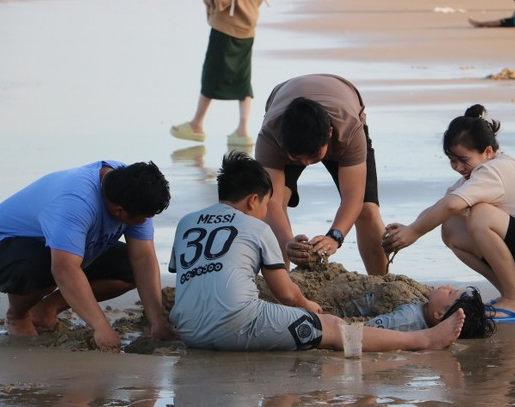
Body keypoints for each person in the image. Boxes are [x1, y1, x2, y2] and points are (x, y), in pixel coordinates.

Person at [169, 151, 465, 351]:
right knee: (334, 327)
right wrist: (306, 304)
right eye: (265, 205)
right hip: (236, 324)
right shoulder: (256, 228)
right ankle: (423, 339)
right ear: (252, 200)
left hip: (188, 330)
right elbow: (285, 292)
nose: (265, 212)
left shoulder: (186, 223)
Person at [382, 105, 515, 318]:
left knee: (481, 214)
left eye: (464, 160)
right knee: (451, 227)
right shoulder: (478, 175)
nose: (458, 167)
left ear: (488, 152)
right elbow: (444, 204)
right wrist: (409, 227)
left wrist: (414, 233)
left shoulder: (495, 171)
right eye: (452, 160)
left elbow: (452, 204)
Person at [0, 161, 178, 352]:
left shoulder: (129, 187)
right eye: (144, 218)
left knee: (129, 268)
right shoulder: (76, 203)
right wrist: (102, 328)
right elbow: (64, 269)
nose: (146, 222)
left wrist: (157, 324)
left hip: (60, 245)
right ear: (119, 211)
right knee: (46, 266)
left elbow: (142, 259)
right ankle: (18, 315)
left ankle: (46, 309)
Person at [254, 74, 388, 275]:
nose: (307, 164)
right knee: (276, 203)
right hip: (282, 103)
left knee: (368, 210)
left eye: (314, 156)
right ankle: (280, 282)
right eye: (298, 158)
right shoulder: (270, 136)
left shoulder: (349, 130)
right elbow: (270, 203)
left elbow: (354, 196)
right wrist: (287, 241)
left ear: (330, 135)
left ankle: (381, 282)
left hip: (344, 98)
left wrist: (335, 236)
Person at [170, 0, 265, 146]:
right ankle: (242, 130)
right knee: (243, 77)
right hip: (247, 27)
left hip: (226, 26)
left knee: (211, 74)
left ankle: (196, 124)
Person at [366, 285, 496, 339]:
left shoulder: (406, 319)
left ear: (438, 314)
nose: (448, 286)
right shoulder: (426, 306)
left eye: (450, 292)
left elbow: (366, 330)